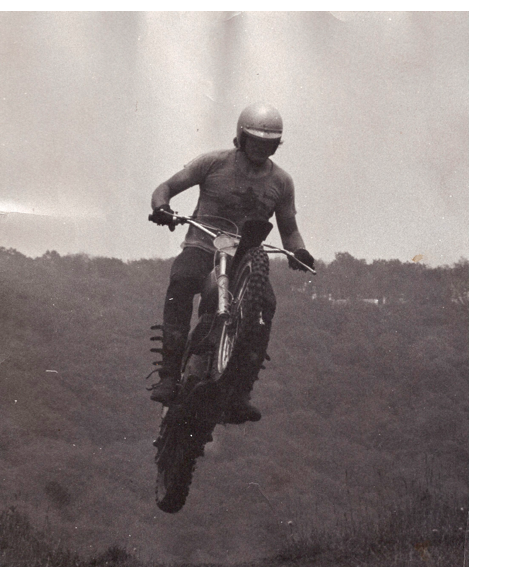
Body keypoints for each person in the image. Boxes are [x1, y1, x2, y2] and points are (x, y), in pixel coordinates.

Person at [149, 102, 315, 418]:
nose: (261, 148)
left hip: (243, 258)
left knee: (265, 304)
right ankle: (168, 376)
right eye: (256, 141)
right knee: (182, 282)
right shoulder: (213, 163)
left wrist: (300, 252)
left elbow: (289, 229)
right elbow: (167, 187)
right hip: (202, 246)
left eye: (269, 143)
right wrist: (162, 207)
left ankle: (240, 391)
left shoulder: (281, 182)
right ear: (241, 137)